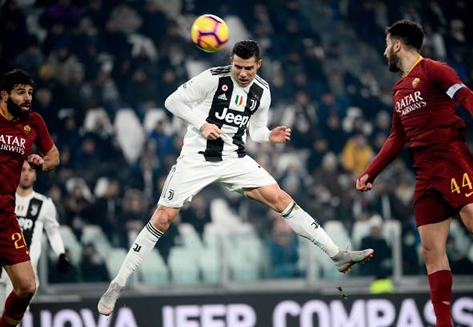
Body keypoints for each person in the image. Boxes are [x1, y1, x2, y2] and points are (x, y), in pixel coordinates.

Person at [98, 40, 374, 316]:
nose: (242, 73)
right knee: (162, 218)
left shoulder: (262, 92)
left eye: (248, 68)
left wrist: (269, 136)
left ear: (259, 65)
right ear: (231, 61)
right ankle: (118, 284)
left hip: (235, 159)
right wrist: (202, 124)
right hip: (197, 159)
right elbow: (172, 101)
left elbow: (255, 131)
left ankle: (337, 255)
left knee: (281, 199)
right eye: (238, 67)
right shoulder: (212, 78)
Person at [356, 20, 473, 327]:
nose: (384, 50)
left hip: (450, 159)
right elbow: (396, 137)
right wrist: (370, 172)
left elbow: (465, 95)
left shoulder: (434, 70)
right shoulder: (399, 89)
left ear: (398, 45)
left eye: (387, 43)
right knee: (430, 250)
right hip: (425, 171)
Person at [0, 69, 60, 326]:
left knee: (26, 287)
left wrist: (40, 163)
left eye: (30, 93)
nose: (27, 98)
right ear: (4, 95)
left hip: (4, 216)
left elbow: (53, 157)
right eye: (20, 92)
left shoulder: (34, 122)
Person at [0, 161, 69, 314]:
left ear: (35, 175)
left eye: (30, 170)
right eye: (22, 170)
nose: (26, 174)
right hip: (2, 268)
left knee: (9, 317)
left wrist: (61, 254)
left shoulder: (44, 204)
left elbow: (53, 231)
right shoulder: (5, 200)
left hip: (24, 273)